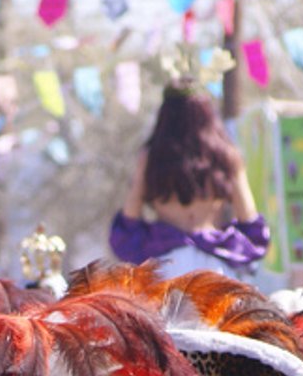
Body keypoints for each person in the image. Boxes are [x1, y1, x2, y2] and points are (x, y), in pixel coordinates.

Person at [109, 85, 269, 281]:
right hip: (216, 267)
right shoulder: (227, 156)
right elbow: (250, 223)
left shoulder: (152, 158)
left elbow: (129, 223)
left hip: (165, 266)